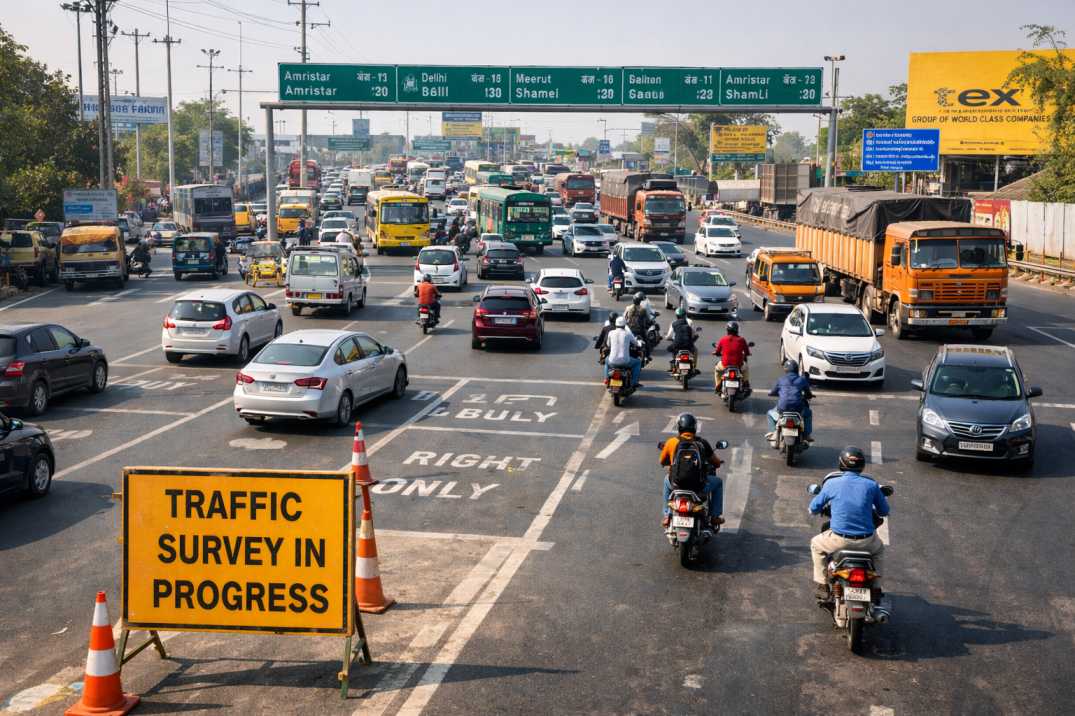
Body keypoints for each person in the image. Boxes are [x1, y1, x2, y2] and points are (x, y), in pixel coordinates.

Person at [809, 446, 889, 601]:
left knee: (816, 544)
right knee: (879, 551)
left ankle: (822, 584)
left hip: (839, 540)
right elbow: (884, 511)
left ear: (841, 463)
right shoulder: (871, 485)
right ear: (862, 465)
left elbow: (814, 507)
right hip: (867, 542)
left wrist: (814, 510)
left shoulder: (832, 484)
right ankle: (877, 587)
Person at [658, 413, 724, 529]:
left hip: (677, 485)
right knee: (718, 482)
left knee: (665, 480)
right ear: (694, 427)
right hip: (699, 486)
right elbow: (717, 463)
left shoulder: (671, 442)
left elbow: (662, 461)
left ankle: (667, 515)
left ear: (679, 427)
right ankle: (714, 516)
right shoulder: (702, 443)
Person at [767, 359, 813, 440]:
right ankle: (807, 434)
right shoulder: (802, 379)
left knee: (770, 413)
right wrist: (809, 395)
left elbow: (773, 392)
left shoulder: (781, 379)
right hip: (797, 408)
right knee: (808, 413)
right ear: (796, 369)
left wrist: (771, 394)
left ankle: (773, 432)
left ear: (785, 369)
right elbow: (808, 393)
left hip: (783, 408)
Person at [713, 321, 752, 394]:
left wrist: (716, 353)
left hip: (725, 365)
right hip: (738, 365)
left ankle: (718, 384)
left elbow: (717, 351)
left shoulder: (723, 339)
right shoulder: (742, 340)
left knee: (717, 369)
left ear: (727, 330)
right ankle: (746, 383)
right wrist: (748, 353)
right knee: (746, 368)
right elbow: (747, 352)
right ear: (737, 330)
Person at [605, 316, 642, 388]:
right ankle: (634, 382)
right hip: (625, 362)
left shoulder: (611, 333)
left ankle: (606, 379)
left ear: (616, 324)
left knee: (606, 361)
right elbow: (636, 343)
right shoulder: (627, 334)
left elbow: (608, 344)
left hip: (612, 361)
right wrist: (639, 343)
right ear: (624, 325)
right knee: (638, 362)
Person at [624, 292, 655, 362]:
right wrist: (650, 322)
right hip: (640, 331)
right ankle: (647, 356)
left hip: (630, 330)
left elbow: (624, 318)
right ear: (640, 301)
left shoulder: (628, 308)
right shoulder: (643, 310)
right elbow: (648, 320)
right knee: (647, 343)